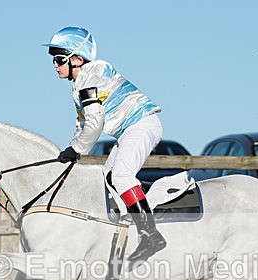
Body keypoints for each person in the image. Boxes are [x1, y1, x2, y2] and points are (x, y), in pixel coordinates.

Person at [43, 26, 167, 265]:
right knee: (108, 176)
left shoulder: (92, 76)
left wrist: (77, 150)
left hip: (142, 125)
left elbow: (94, 124)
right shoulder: (79, 83)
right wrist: (71, 150)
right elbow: (82, 126)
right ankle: (131, 229)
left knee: (120, 176)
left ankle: (152, 236)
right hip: (131, 129)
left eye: (59, 59)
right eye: (53, 61)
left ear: (77, 60)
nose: (55, 65)